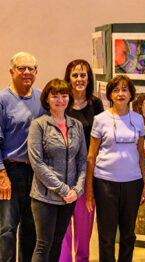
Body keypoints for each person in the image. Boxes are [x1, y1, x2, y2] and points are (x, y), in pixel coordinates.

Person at [85, 75, 145, 262]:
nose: (121, 93)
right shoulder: (100, 119)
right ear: (110, 94)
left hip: (133, 183)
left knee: (129, 235)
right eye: (116, 90)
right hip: (105, 183)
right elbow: (91, 156)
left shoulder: (137, 119)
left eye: (125, 89)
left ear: (131, 94)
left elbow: (141, 153)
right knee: (107, 236)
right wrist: (89, 188)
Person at [28, 78, 87, 262]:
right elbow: (37, 163)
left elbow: (82, 160)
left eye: (64, 95)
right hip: (45, 197)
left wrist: (77, 190)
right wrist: (63, 189)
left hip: (69, 198)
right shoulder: (38, 125)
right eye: (55, 96)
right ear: (47, 99)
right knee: (43, 245)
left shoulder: (76, 125)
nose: (60, 100)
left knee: (57, 243)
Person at [0, 52, 45, 262]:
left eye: (31, 68)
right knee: (7, 229)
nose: (27, 72)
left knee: (31, 229)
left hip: (36, 172)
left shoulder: (42, 97)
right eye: (21, 68)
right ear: (11, 71)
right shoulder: (2, 100)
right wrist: (2, 175)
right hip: (10, 171)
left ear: (36, 72)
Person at [59, 59, 104, 262]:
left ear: (89, 78)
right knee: (63, 226)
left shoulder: (96, 104)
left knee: (84, 226)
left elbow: (103, 137)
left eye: (83, 75)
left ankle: (83, 259)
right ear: (68, 78)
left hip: (87, 174)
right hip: (63, 173)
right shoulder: (61, 103)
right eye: (75, 75)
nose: (79, 79)